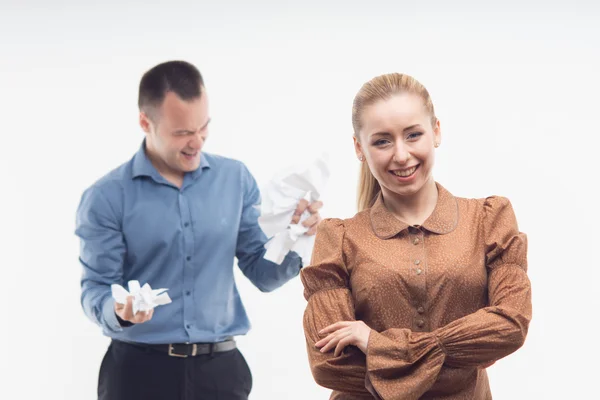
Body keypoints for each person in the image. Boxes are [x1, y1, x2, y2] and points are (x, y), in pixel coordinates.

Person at [75, 60, 322, 400]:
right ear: (145, 122)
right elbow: (96, 288)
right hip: (137, 374)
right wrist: (119, 311)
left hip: (220, 374)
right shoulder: (105, 197)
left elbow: (262, 273)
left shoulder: (234, 178)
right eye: (182, 133)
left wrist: (296, 238)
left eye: (203, 127)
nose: (197, 142)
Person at [300, 73, 531, 399]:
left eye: (413, 135)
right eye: (382, 141)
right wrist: (458, 363)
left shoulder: (489, 219)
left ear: (436, 131)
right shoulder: (338, 238)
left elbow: (511, 324)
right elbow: (329, 365)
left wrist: (375, 344)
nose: (401, 155)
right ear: (359, 148)